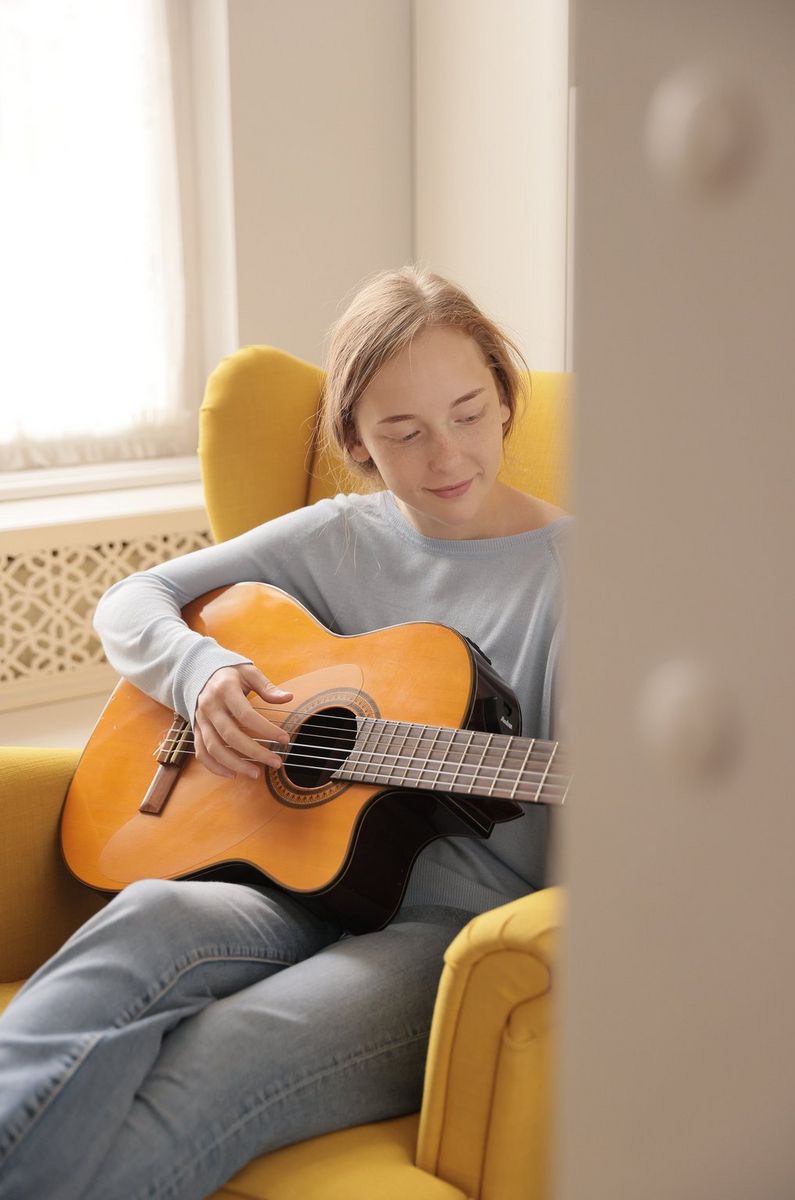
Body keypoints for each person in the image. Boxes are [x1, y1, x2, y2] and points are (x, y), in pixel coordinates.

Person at [0, 267, 570, 1200]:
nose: (447, 455)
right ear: (354, 441)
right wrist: (204, 673)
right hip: (283, 881)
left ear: (507, 401)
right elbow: (131, 601)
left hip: (439, 934)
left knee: (217, 1059)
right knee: (141, 922)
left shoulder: (582, 578)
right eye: (403, 432)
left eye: (470, 412)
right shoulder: (339, 536)